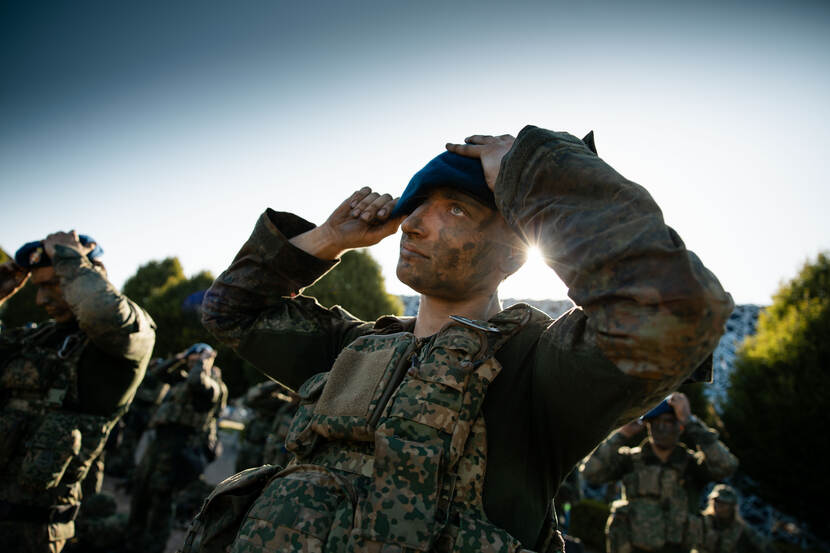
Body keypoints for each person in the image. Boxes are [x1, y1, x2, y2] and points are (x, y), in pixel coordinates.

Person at [196, 126, 733, 552]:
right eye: (417, 204)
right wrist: (328, 239)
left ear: (514, 254)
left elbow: (677, 309)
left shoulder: (540, 370)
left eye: (456, 208)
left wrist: (535, 169)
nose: (413, 224)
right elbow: (231, 311)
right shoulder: (353, 350)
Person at [0, 231, 156, 553]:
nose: (41, 300)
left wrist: (69, 257)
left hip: (33, 535)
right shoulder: (37, 338)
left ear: (91, 273)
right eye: (38, 286)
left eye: (54, 283)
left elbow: (104, 314)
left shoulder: (125, 339)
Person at [581, 393, 738, 553]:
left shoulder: (691, 465)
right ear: (647, 426)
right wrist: (621, 435)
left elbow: (726, 465)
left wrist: (691, 422)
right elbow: (590, 471)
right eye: (655, 422)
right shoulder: (631, 460)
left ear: (680, 427)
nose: (661, 428)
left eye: (668, 422)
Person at [125, 342, 227, 553]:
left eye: (196, 360)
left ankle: (154, 547)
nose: (192, 364)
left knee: (162, 498)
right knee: (141, 490)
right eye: (191, 360)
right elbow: (156, 373)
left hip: (180, 446)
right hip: (160, 442)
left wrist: (204, 362)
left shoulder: (213, 385)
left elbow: (197, 381)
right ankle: (132, 542)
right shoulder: (181, 379)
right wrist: (178, 358)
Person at [235, 380, 294, 472]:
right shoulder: (276, 402)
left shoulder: (293, 407)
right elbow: (250, 398)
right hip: (251, 447)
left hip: (270, 455)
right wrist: (279, 383)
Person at [698, 484, 776, 553]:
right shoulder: (702, 521)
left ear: (732, 506)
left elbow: (763, 546)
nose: (718, 505)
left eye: (723, 503)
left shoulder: (741, 530)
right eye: (716, 501)